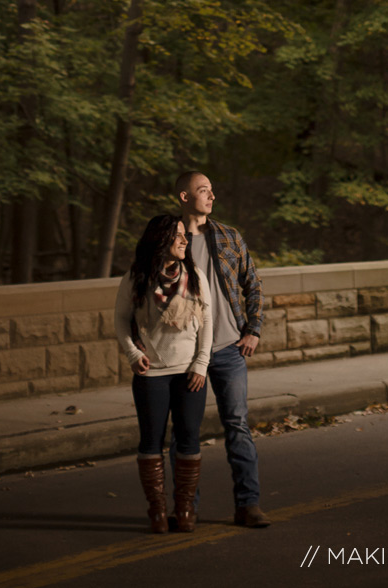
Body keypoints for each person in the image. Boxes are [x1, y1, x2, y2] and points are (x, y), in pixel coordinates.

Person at [174, 170, 270, 527]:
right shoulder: (168, 238)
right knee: (185, 432)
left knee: (237, 425)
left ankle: (248, 505)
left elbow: (253, 284)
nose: (211, 196)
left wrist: (253, 329)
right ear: (185, 197)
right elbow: (145, 289)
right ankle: (185, 509)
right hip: (184, 354)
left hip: (229, 349)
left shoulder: (229, 236)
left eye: (212, 190)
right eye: (203, 191)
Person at [113, 213, 213, 534]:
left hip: (189, 374)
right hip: (151, 373)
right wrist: (132, 353)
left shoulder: (194, 275)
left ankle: (184, 510)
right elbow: (120, 319)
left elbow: (208, 322)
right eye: (178, 235)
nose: (185, 240)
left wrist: (201, 363)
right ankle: (157, 511)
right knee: (151, 442)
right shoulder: (136, 277)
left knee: (188, 440)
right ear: (161, 239)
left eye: (185, 235)